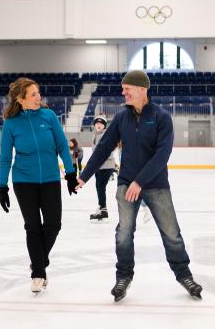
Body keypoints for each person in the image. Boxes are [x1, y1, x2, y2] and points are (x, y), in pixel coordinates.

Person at [76, 70, 202, 303]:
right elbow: (104, 148)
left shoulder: (161, 117)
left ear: (142, 89)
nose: (123, 92)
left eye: (127, 89)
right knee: (123, 234)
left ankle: (184, 276)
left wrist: (140, 182)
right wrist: (84, 176)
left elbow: (162, 154)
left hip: (156, 184)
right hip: (126, 184)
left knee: (171, 234)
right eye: (123, 89)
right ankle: (123, 277)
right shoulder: (122, 118)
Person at [0, 77, 77, 294]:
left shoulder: (49, 116)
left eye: (38, 93)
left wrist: (70, 174)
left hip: (51, 179)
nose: (38, 97)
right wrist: (2, 186)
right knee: (32, 227)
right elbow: (5, 157)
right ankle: (38, 273)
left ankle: (38, 261)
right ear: (21, 99)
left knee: (53, 225)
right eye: (33, 94)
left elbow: (62, 145)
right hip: (24, 181)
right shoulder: (11, 124)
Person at [89, 115, 117, 221]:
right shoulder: (95, 134)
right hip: (98, 166)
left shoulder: (105, 135)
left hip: (106, 165)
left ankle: (103, 209)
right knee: (99, 187)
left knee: (101, 187)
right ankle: (102, 207)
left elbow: (109, 150)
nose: (99, 125)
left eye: (101, 124)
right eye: (97, 123)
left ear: (104, 126)